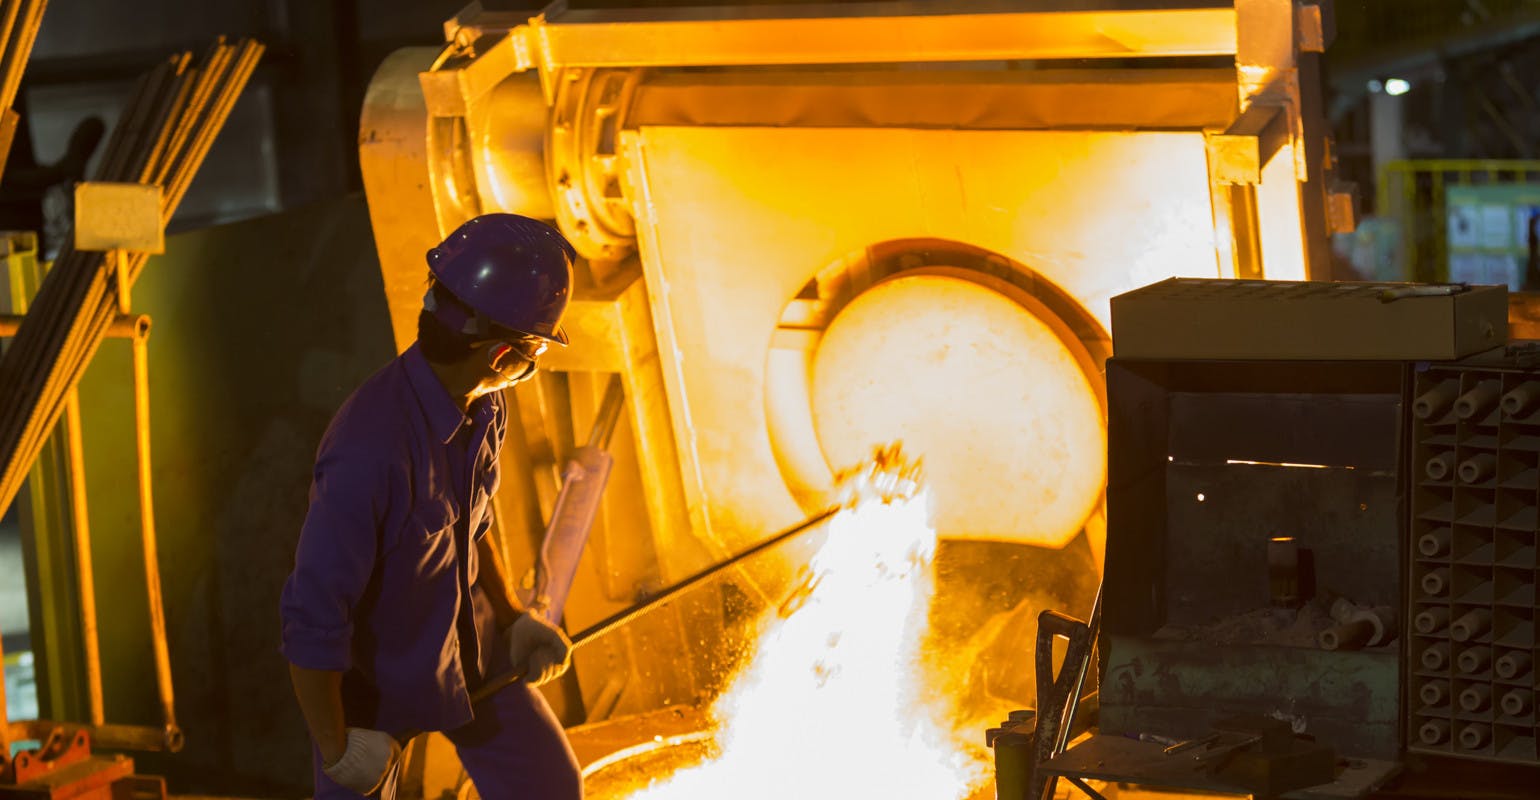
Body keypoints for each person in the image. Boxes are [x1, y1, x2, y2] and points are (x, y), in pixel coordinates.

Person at [280, 214, 584, 800]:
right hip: (373, 690)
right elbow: (311, 622)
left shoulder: (482, 408)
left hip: (471, 656)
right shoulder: (368, 450)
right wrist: (338, 748)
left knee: (551, 788)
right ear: (501, 355)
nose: (531, 367)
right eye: (534, 353)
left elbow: (471, 525)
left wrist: (514, 615)